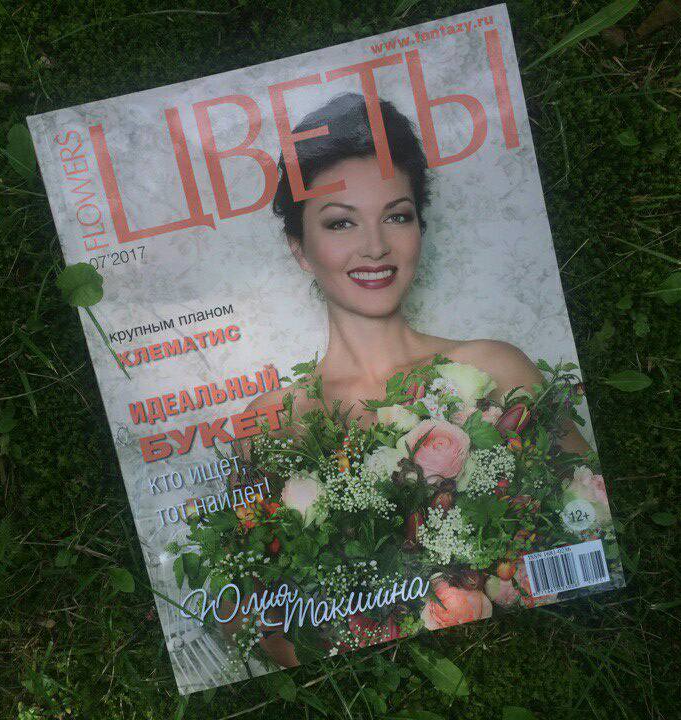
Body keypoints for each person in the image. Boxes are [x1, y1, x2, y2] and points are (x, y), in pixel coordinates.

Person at [228, 92, 590, 668]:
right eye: (341, 222)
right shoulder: (271, 422)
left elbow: (593, 536)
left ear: (420, 226)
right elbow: (259, 626)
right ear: (299, 248)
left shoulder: (498, 370)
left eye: (397, 216)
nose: (375, 246)